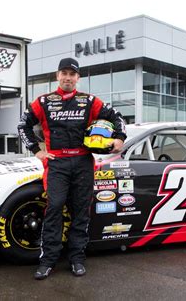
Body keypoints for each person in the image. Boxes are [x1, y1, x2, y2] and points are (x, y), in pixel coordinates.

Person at [18, 58, 126, 280]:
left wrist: (119, 138)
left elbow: (117, 118)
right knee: (55, 207)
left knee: (80, 211)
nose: (67, 78)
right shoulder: (43, 101)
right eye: (64, 73)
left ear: (78, 78)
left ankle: (77, 259)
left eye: (72, 74)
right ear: (57, 76)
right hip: (56, 163)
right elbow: (23, 125)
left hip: (83, 163)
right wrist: (36, 151)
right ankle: (48, 260)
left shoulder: (89, 101)